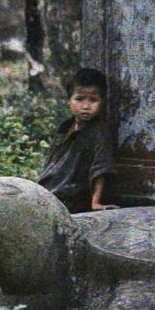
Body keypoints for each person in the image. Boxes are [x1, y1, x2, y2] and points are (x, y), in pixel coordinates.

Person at [36, 68, 116, 214]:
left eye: (93, 100)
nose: (86, 106)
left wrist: (95, 202)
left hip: (70, 199)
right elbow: (51, 164)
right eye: (79, 99)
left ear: (102, 102)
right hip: (48, 193)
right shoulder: (65, 127)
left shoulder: (99, 131)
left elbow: (101, 168)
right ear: (69, 100)